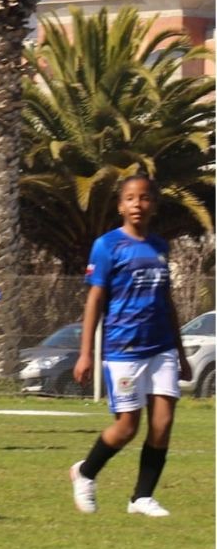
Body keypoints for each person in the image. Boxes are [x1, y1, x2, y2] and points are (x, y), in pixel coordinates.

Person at [69, 175, 190, 518]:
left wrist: (180, 352)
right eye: (131, 198)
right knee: (127, 427)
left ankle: (141, 497)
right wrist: (85, 353)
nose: (138, 204)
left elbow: (167, 301)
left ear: (154, 204)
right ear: (121, 206)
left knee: (163, 424)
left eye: (145, 198)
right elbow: (95, 299)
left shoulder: (160, 247)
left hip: (161, 347)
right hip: (123, 349)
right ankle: (85, 472)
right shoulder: (107, 246)